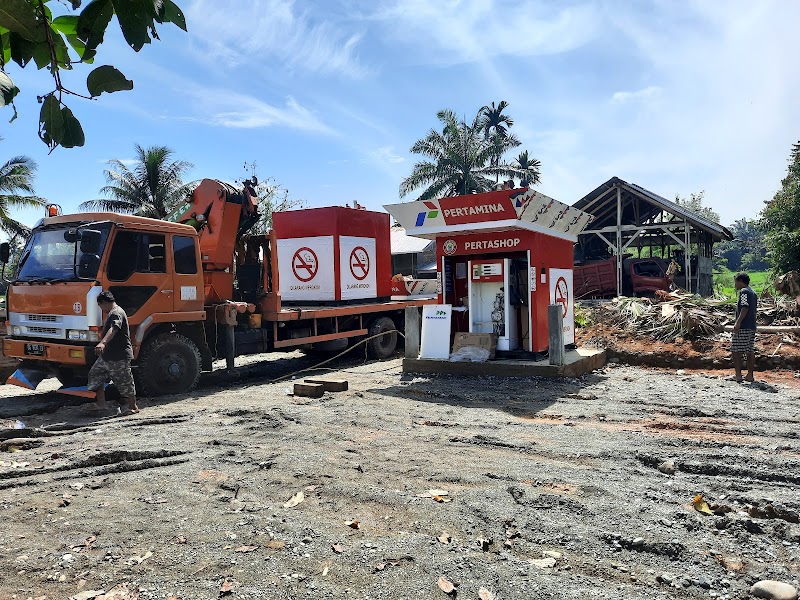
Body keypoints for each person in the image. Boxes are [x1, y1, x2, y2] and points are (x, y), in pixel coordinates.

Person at [87, 290, 139, 414]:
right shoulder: (112, 313)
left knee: (124, 380)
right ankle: (101, 404)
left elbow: (114, 329)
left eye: (100, 306)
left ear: (104, 302)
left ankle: (133, 407)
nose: (101, 309)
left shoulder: (117, 313)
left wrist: (102, 343)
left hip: (119, 355)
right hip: (107, 355)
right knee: (95, 374)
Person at [732, 272, 757, 383]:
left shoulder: (744, 292)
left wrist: (738, 322)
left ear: (741, 281)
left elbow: (745, 307)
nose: (735, 285)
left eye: (736, 282)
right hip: (751, 326)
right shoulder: (753, 292)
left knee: (736, 350)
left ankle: (738, 375)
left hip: (743, 326)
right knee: (749, 350)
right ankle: (750, 375)